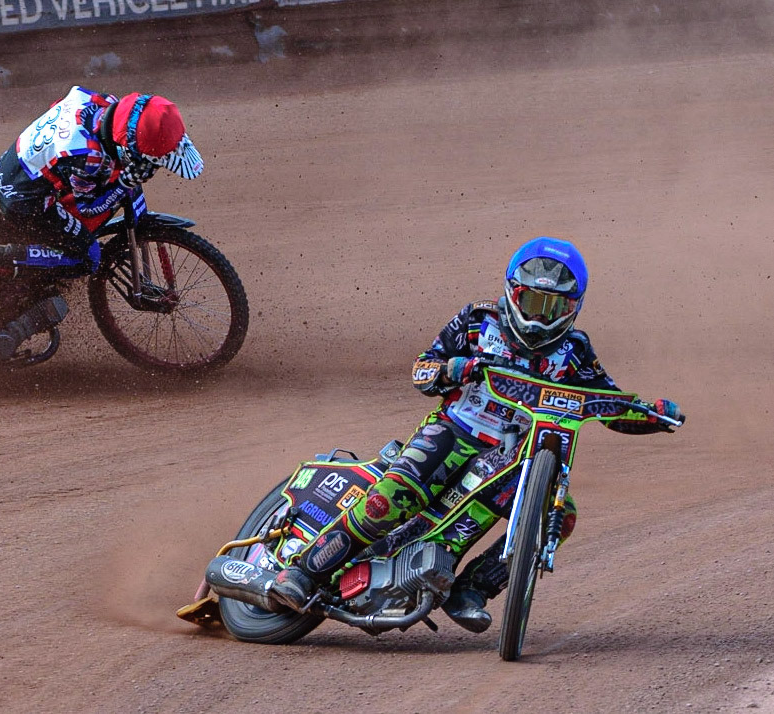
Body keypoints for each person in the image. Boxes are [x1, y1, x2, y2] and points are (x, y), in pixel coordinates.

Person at [270, 237, 684, 632]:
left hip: (511, 453)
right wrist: (454, 369)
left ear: (572, 307)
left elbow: (606, 403)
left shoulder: (575, 351)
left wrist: (652, 414)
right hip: (453, 429)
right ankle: (304, 572)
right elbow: (422, 368)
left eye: (553, 306)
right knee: (390, 499)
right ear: (513, 293)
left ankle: (472, 589)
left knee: (561, 516)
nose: (540, 317)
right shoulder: (477, 320)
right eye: (533, 302)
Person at [0, 86, 204, 358]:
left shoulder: (107, 105)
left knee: (101, 189)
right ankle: (1, 260)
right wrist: (125, 182)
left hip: (23, 167)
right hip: (23, 198)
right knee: (88, 256)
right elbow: (89, 208)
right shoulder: (88, 157)